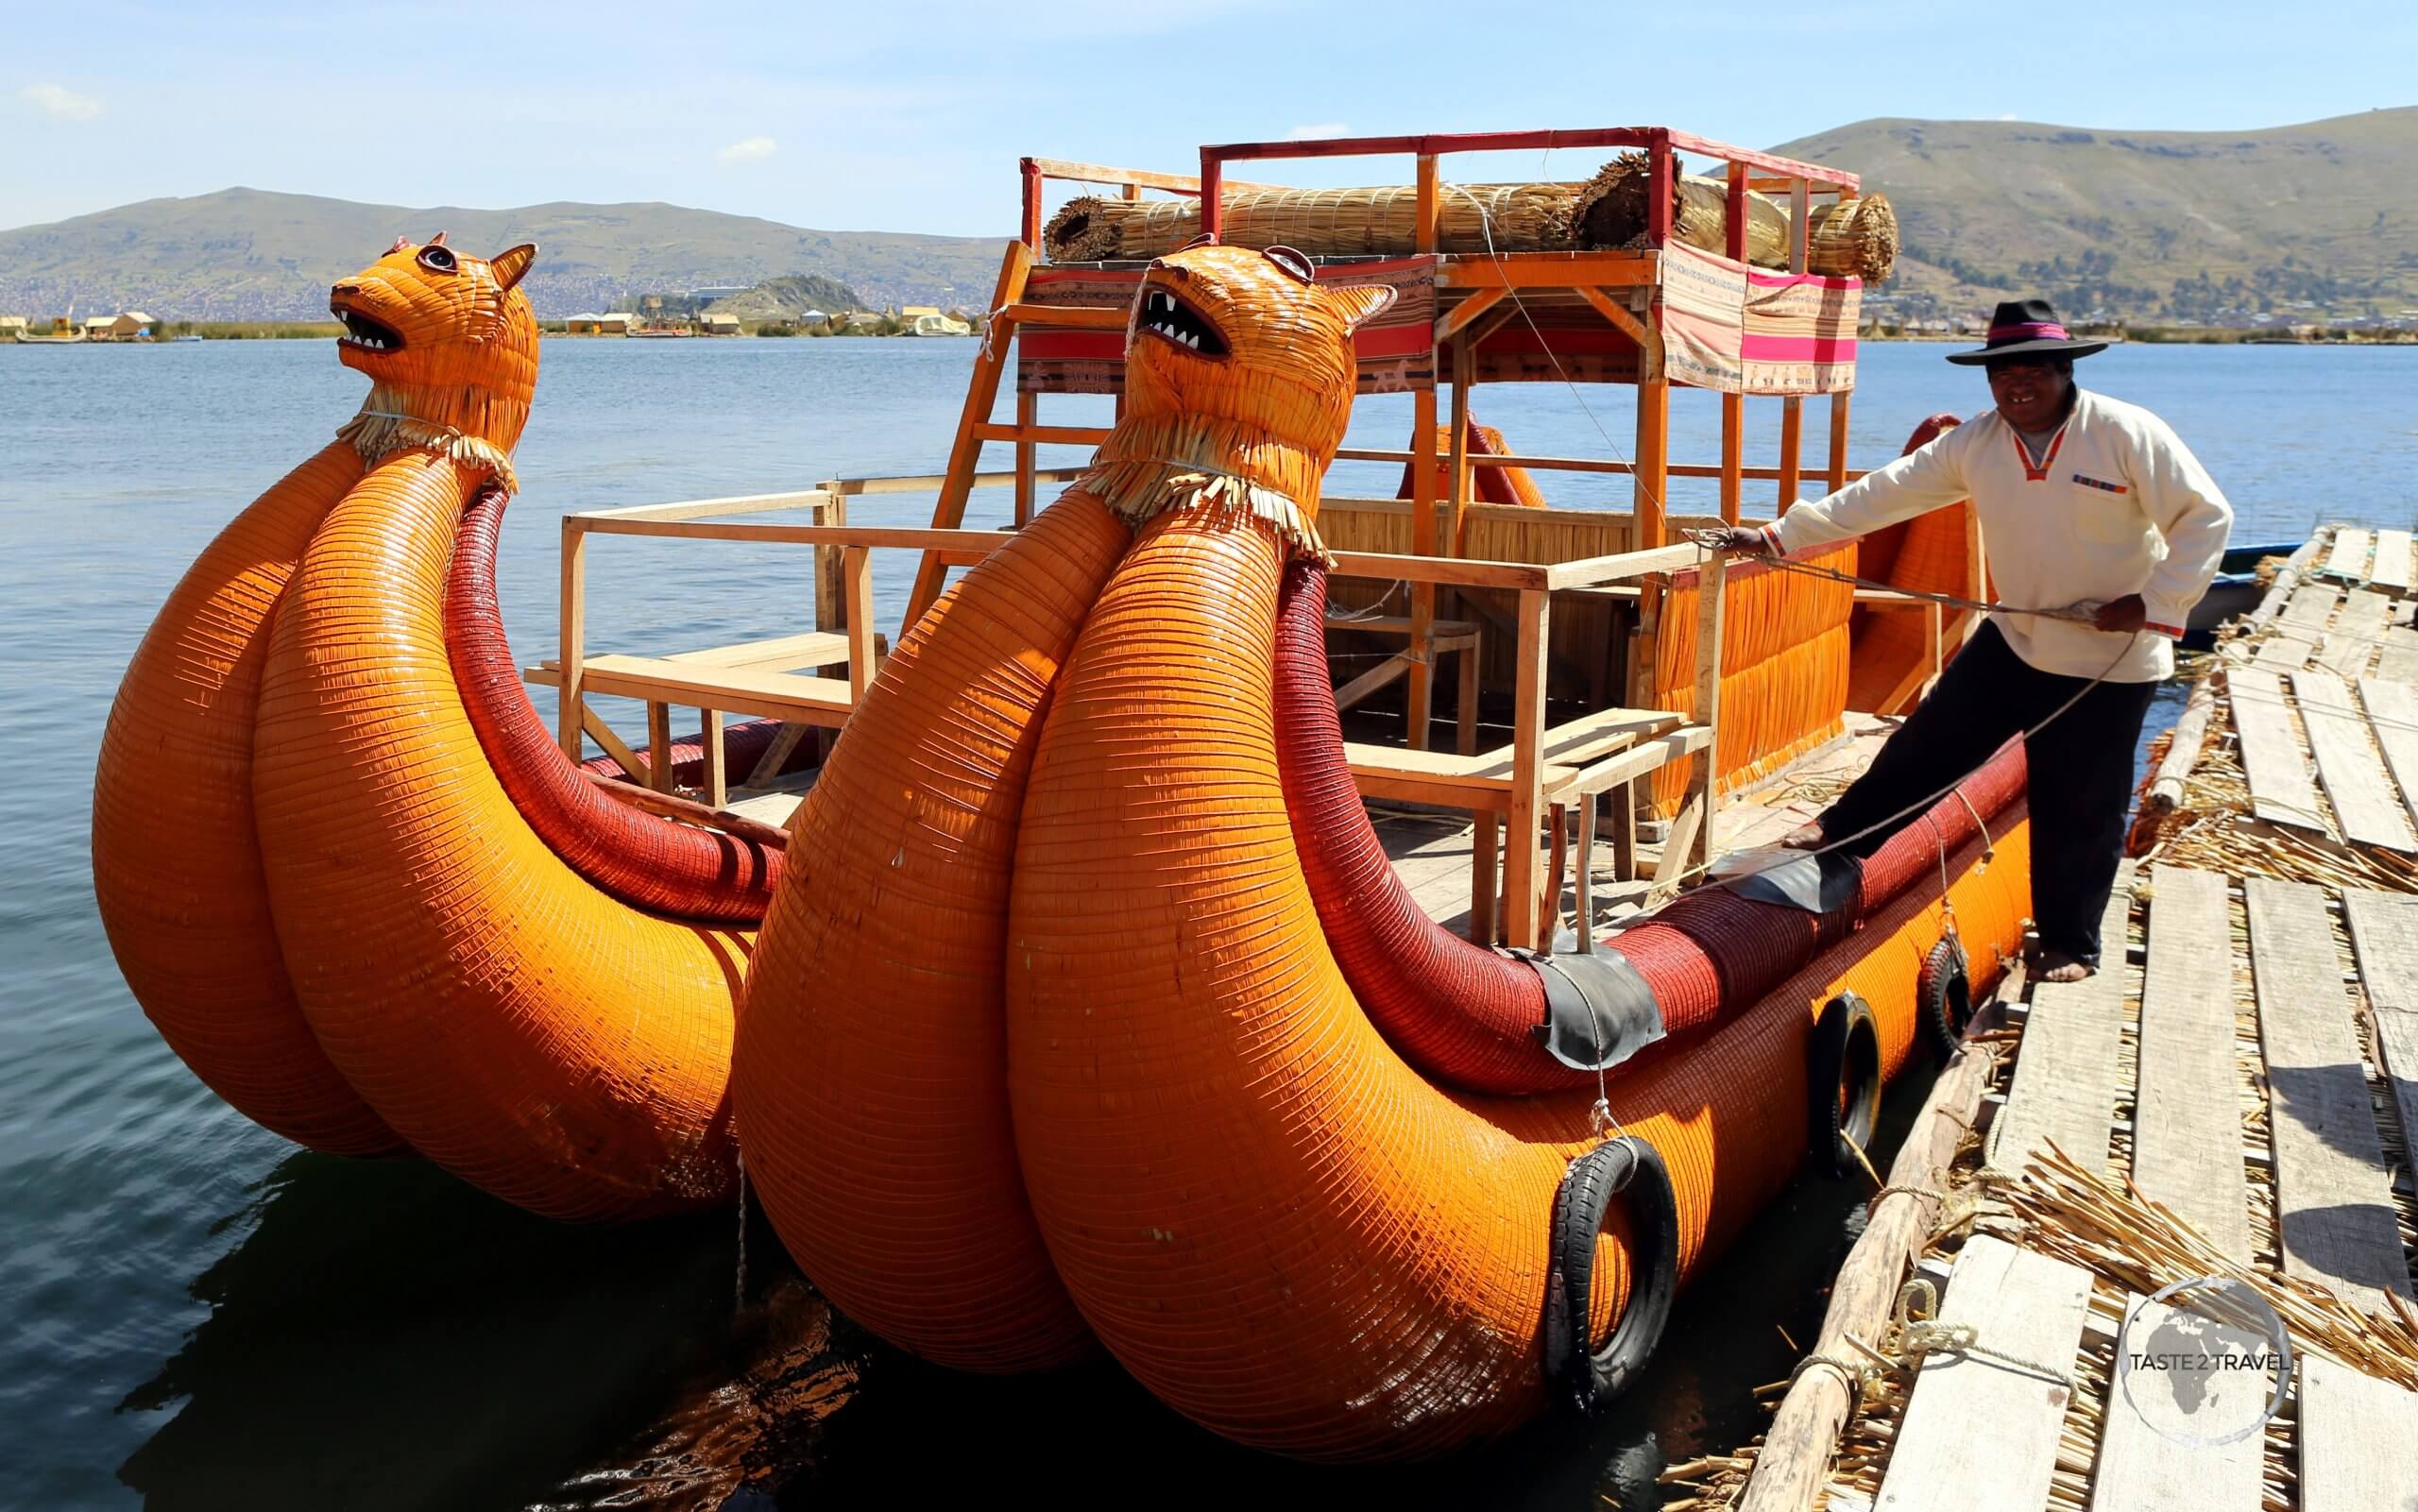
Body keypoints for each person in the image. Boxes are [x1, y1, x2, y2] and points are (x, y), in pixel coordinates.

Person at [1709, 298, 2232, 981]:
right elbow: (1885, 492)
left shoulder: (2125, 432)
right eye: (2003, 373)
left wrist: (2152, 602)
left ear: (2065, 371)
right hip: (2016, 636)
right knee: (1926, 744)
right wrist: (1782, 535)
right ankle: (1838, 835)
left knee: (2082, 801)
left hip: (2113, 658)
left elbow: (2205, 518)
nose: (2018, 384)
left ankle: (2071, 944)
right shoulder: (1977, 443)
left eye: (2035, 371)